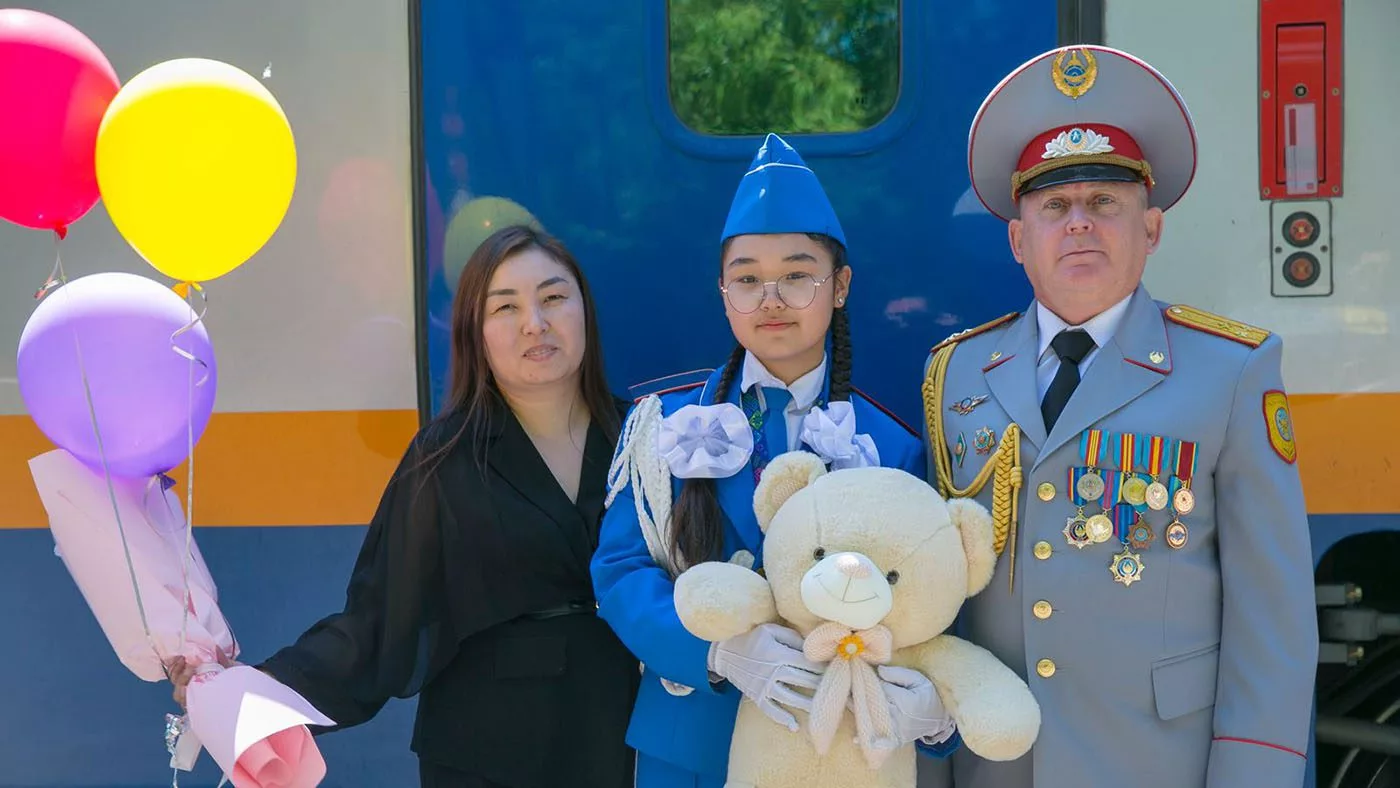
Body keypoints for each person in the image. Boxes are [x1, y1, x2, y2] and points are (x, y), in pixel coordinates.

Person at [916, 45, 1318, 788]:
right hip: (996, 767)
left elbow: (1275, 621)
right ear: (1019, 239)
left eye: (1105, 203)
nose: (1079, 224)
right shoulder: (956, 375)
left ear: (1151, 229)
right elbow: (929, 601)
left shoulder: (1232, 371)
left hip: (1157, 765)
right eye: (1054, 207)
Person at [169, 225, 641, 788]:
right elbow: (377, 621)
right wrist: (252, 690)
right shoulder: (443, 457)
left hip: (627, 736)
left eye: (554, 297)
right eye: (505, 307)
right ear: (475, 333)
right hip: (487, 752)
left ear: (584, 309)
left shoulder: (647, 436)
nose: (534, 323)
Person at [593, 132, 960, 788]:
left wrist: (934, 713)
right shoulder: (661, 425)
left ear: (840, 286)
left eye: (796, 275)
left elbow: (923, 598)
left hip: (835, 755)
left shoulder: (891, 446)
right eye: (747, 279)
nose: (771, 298)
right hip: (691, 747)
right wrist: (717, 650)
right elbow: (620, 572)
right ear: (722, 292)